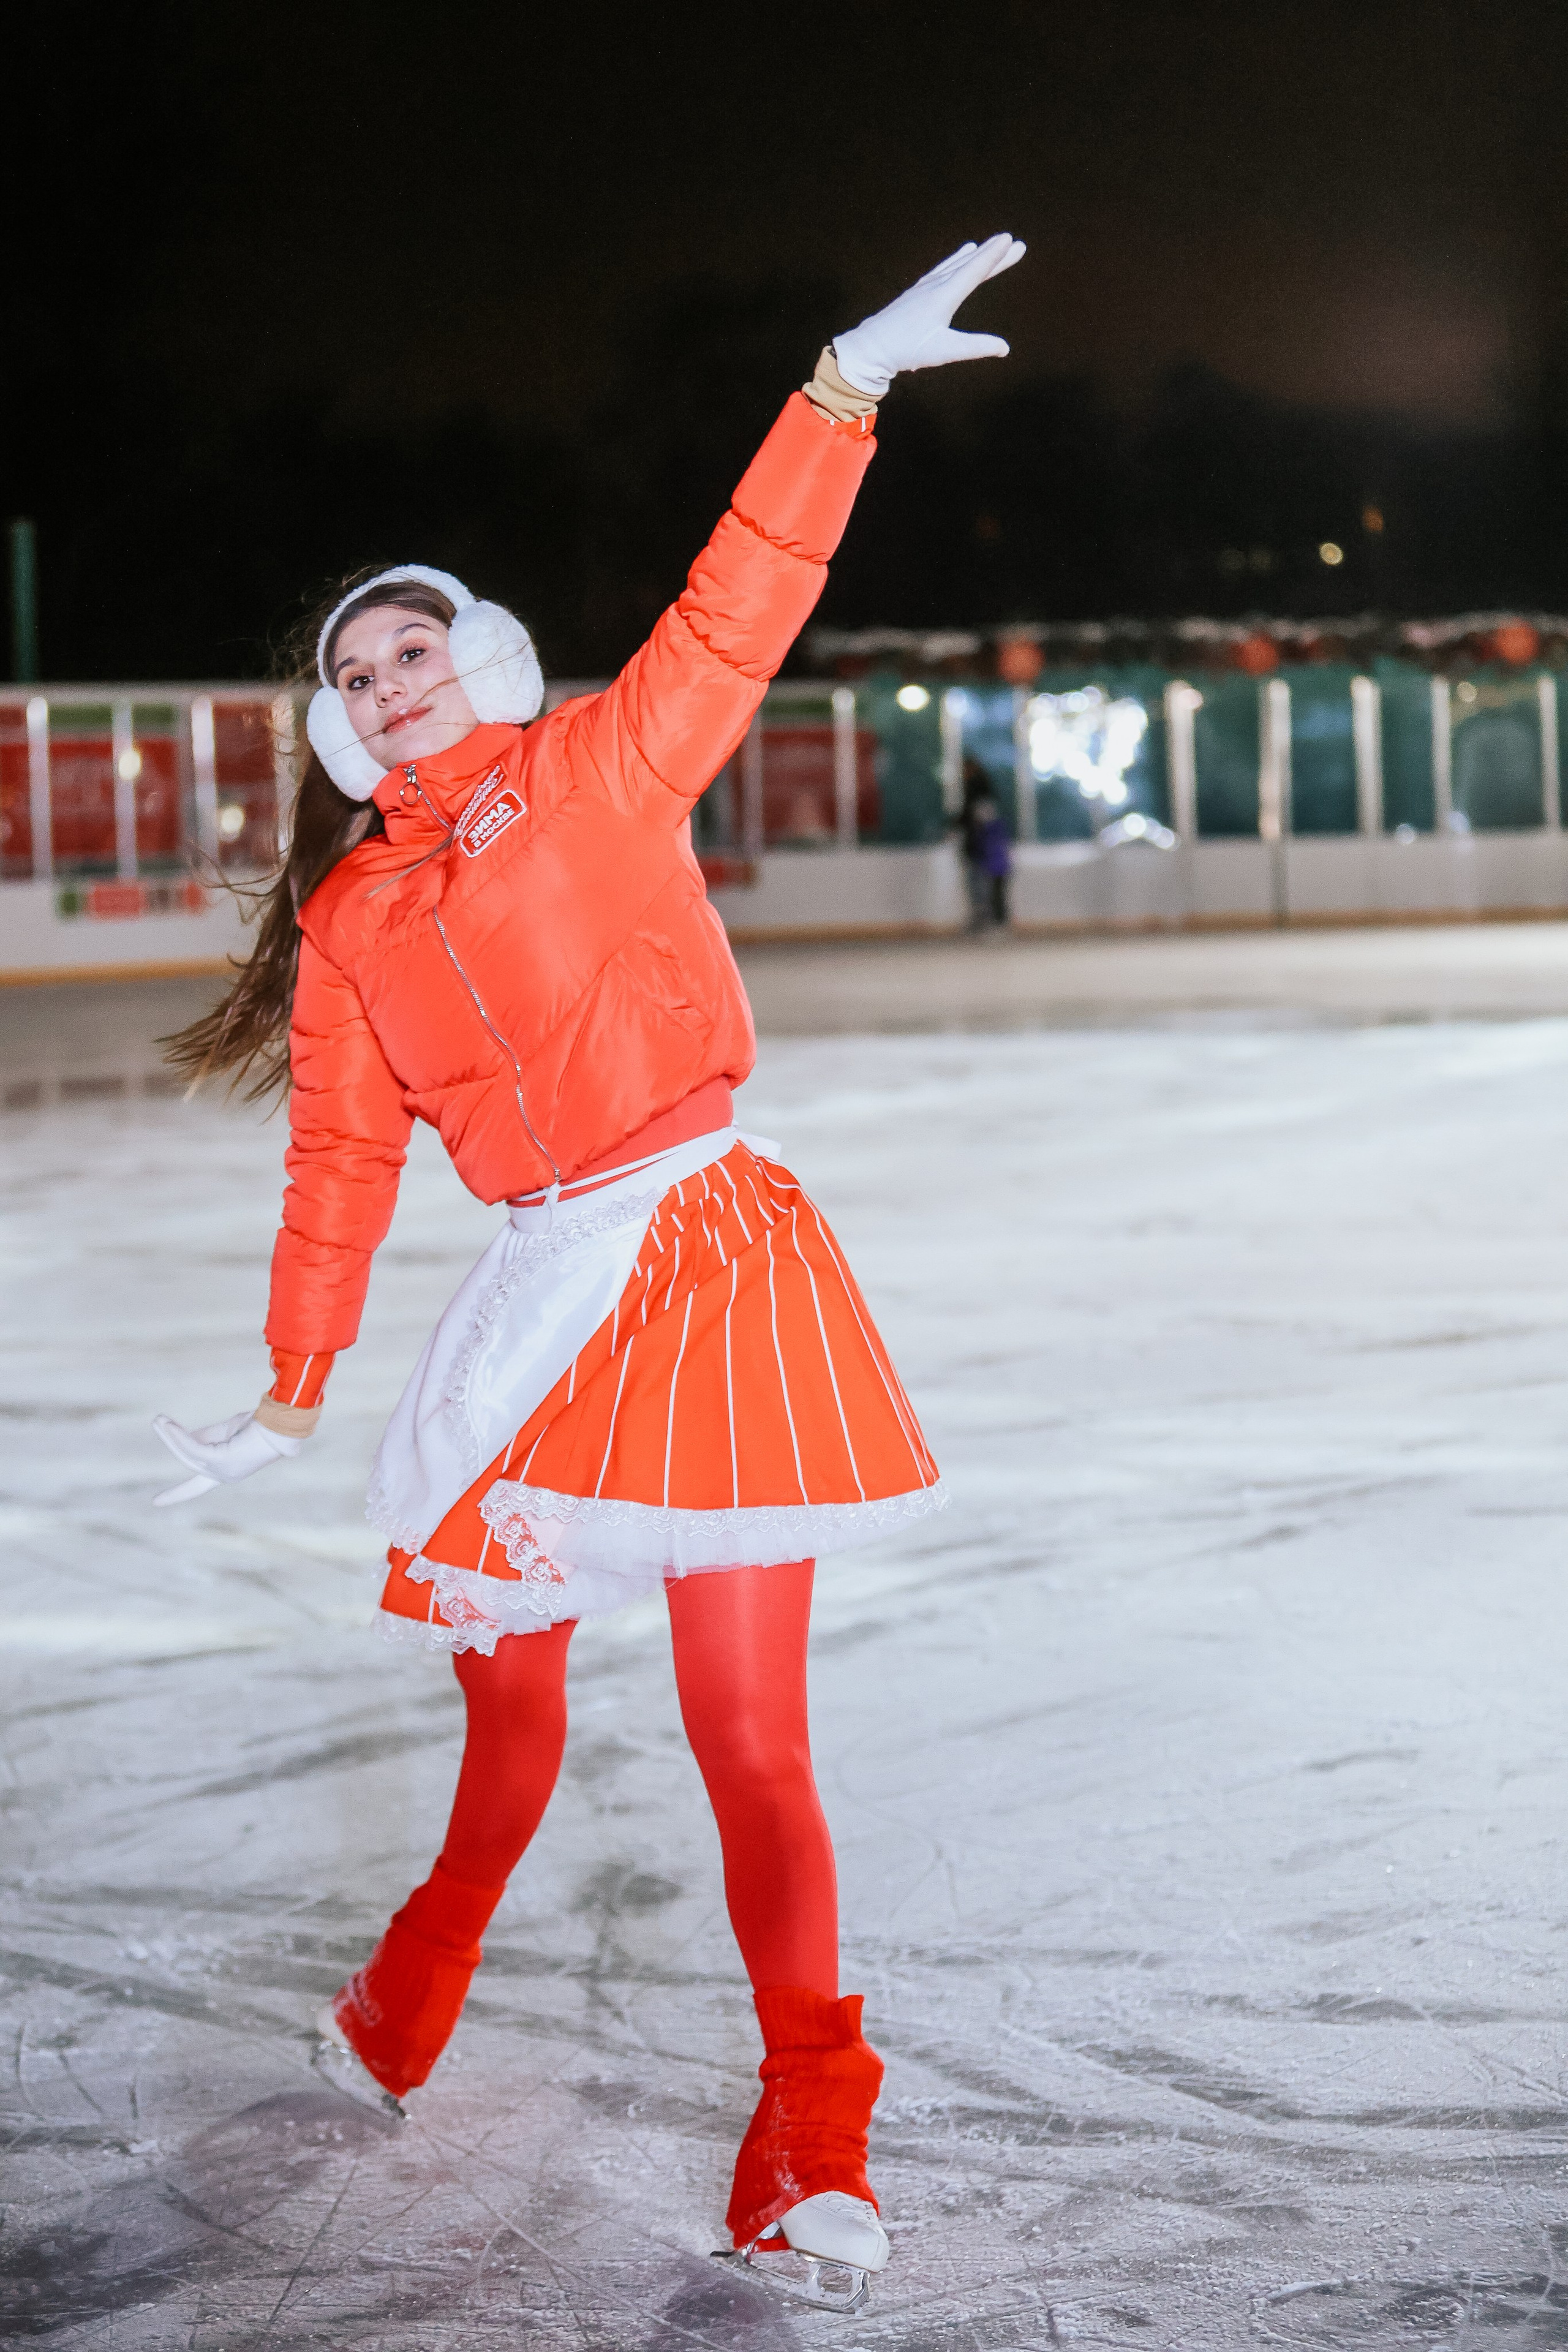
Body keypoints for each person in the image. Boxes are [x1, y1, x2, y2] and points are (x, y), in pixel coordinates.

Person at [156, 235, 1024, 2304]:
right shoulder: (355, 919)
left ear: (483, 655)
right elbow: (344, 1155)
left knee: (749, 1741)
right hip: (537, 1301)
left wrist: (837, 395)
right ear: (341, 729)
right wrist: (295, 1377)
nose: (388, 681)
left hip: (710, 1267)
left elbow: (744, 597)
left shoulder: (602, 767)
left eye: (413, 646)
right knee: (510, 1730)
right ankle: (412, 1985)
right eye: (355, 675)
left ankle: (815, 2129)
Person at [958, 753, 1012, 927]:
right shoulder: (984, 799)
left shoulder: (980, 799)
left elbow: (975, 821)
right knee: (983, 887)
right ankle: (988, 919)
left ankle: (990, 920)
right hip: (983, 854)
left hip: (984, 855)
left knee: (985, 888)